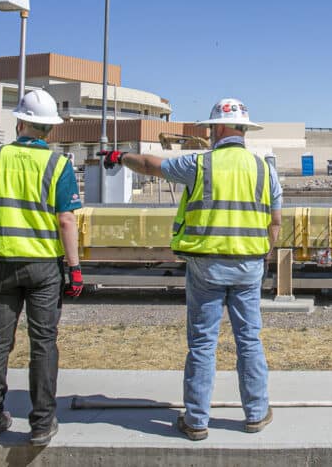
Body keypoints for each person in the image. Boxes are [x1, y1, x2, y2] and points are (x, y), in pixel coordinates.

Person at [101, 97, 282, 441]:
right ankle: (256, 413)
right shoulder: (264, 169)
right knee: (249, 340)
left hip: (207, 268)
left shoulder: (199, 165)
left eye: (211, 128)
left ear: (218, 129)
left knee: (202, 343)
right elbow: (275, 223)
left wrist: (119, 156)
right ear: (244, 129)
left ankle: (197, 420)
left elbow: (151, 165)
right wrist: (263, 255)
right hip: (248, 266)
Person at [0, 89, 83, 446]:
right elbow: (66, 220)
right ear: (50, 130)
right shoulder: (58, 165)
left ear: (20, 122)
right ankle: (42, 423)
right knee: (43, 343)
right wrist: (74, 269)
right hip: (43, 267)